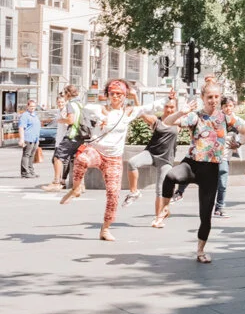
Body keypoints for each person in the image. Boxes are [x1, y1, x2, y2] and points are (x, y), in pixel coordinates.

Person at [154, 83, 245, 262]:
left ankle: (201, 251)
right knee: (171, 176)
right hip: (192, 164)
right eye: (209, 97)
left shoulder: (226, 117)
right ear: (203, 98)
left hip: (211, 169)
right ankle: (165, 208)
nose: (213, 100)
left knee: (205, 216)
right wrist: (182, 111)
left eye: (216, 97)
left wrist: (239, 143)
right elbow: (167, 122)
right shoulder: (195, 117)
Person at [60, 81, 168, 241]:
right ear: (108, 95)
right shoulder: (98, 109)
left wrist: (168, 98)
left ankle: (105, 229)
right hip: (97, 150)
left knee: (113, 194)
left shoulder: (128, 112)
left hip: (114, 159)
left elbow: (149, 107)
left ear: (125, 96)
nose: (115, 97)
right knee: (81, 159)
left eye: (119, 94)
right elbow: (80, 106)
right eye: (112, 93)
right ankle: (76, 189)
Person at [122, 94, 179, 220]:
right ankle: (134, 192)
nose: (169, 110)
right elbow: (141, 112)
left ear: (176, 108)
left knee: (160, 190)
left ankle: (158, 217)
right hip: (151, 154)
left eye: (172, 107)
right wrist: (136, 98)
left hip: (166, 159)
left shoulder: (179, 121)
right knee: (132, 162)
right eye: (167, 107)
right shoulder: (156, 120)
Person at [45, 85, 85, 191]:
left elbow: (71, 120)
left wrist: (61, 120)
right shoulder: (80, 104)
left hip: (72, 134)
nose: (64, 95)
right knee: (76, 160)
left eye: (64, 93)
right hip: (80, 136)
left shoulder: (71, 104)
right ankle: (80, 185)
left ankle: (57, 183)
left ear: (68, 93)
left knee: (57, 157)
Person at [18, 99, 41, 179]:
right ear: (27, 106)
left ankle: (31, 171)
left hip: (35, 139)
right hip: (28, 138)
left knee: (32, 156)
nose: (32, 108)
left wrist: (37, 139)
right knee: (26, 155)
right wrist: (21, 139)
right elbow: (21, 127)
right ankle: (25, 172)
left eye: (34, 106)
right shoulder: (25, 115)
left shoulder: (34, 115)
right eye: (31, 106)